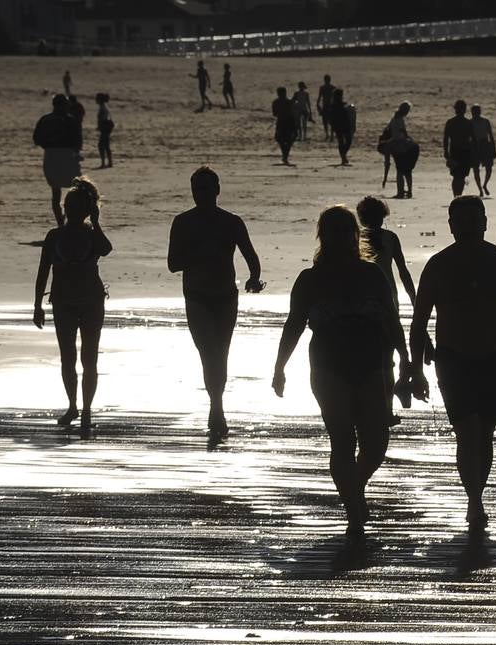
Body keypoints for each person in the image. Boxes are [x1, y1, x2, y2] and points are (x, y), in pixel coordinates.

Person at [272, 206, 409, 547]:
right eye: (332, 231)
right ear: (322, 236)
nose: (339, 237)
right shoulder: (310, 280)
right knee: (343, 441)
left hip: (373, 364)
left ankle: (353, 486)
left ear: (355, 234)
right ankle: (352, 507)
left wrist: (407, 360)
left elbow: (391, 321)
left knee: (376, 444)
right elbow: (293, 325)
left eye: (346, 230)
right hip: (328, 367)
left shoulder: (373, 275)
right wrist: (279, 367)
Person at [409, 197, 496, 530]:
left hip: (494, 356)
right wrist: (415, 369)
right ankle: (475, 501)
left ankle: (476, 496)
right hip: (453, 359)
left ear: (484, 222)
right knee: (468, 432)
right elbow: (419, 320)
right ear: (451, 226)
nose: (465, 226)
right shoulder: (438, 265)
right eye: (459, 220)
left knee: (487, 433)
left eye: (472, 219)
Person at [167, 166, 265, 441]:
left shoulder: (231, 222)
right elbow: (173, 263)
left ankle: (216, 406)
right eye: (197, 190)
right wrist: (199, 252)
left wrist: (254, 278)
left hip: (225, 297)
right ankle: (216, 407)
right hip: (197, 297)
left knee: (220, 353)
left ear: (217, 190)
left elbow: (251, 256)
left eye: (207, 189)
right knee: (207, 352)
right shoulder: (182, 222)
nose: (202, 194)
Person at [33, 177, 110, 437]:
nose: (73, 211)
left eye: (78, 207)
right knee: (68, 357)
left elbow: (106, 249)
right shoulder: (54, 236)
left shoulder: (92, 235)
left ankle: (86, 409)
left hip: (91, 301)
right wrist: (36, 305)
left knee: (90, 358)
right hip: (63, 302)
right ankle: (73, 406)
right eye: (70, 206)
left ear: (87, 211)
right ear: (65, 209)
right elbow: (43, 270)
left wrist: (97, 222)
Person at [357, 195, 417, 422]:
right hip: (389, 300)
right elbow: (403, 272)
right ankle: (387, 407)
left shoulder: (354, 238)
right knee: (388, 354)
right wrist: (414, 300)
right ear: (383, 217)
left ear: (361, 217)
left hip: (361, 302)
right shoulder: (391, 238)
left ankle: (367, 403)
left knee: (366, 355)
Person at [33, 95, 81, 225]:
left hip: (51, 156)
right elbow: (78, 140)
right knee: (76, 190)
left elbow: (37, 138)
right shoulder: (71, 120)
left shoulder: (46, 119)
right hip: (67, 156)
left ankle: (61, 222)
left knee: (56, 192)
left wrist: (48, 145)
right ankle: (71, 220)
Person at [381, 102, 418, 200]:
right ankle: (408, 191)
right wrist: (408, 138)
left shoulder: (394, 119)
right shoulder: (399, 119)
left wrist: (385, 179)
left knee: (401, 171)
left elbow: (387, 163)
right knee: (406, 171)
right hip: (402, 145)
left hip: (399, 145)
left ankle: (401, 191)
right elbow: (403, 132)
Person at [442, 99, 474, 196]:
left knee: (457, 176)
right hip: (462, 152)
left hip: (457, 151)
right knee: (460, 176)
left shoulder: (451, 122)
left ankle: (456, 195)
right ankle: (457, 195)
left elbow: (446, 139)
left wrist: (446, 152)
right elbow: (473, 140)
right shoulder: (467, 123)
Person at [331, 88, 356, 166]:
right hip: (341, 125)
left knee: (345, 142)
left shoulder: (338, 105)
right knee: (344, 142)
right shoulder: (335, 105)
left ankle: (343, 156)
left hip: (343, 125)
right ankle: (343, 157)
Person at [271, 86, 295, 165]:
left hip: (282, 122)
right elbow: (292, 113)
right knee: (288, 140)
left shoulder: (276, 102)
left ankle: (285, 156)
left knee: (281, 139)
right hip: (288, 122)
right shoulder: (289, 102)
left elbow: (274, 113)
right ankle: (285, 156)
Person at [95, 93, 113, 169]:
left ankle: (103, 163)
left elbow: (102, 118)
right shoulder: (104, 107)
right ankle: (109, 162)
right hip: (106, 127)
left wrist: (100, 126)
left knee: (101, 145)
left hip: (105, 127)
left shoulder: (103, 108)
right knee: (106, 145)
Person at [317, 74, 335, 140]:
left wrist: (318, 104)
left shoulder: (331, 88)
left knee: (329, 121)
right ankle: (328, 134)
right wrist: (318, 105)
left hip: (329, 106)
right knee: (326, 121)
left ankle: (330, 135)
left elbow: (320, 97)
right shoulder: (324, 88)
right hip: (327, 106)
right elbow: (320, 97)